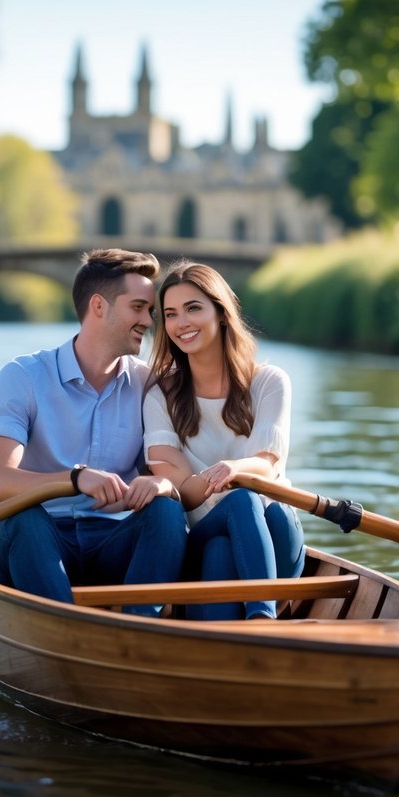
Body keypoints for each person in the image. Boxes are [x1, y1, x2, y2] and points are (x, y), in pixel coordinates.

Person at [0, 248, 187, 616]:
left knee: (166, 513)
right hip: (37, 543)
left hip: (112, 541)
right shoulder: (22, 377)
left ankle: (137, 635)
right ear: (99, 306)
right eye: (138, 307)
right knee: (23, 518)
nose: (148, 321)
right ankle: (66, 635)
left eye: (151, 311)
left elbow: (170, 473)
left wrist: (161, 485)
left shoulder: (149, 386)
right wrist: (75, 479)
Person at [143, 260, 304, 620]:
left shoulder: (270, 383)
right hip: (205, 533)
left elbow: (266, 463)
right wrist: (219, 484)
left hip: (276, 534)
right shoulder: (160, 396)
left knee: (247, 500)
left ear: (221, 313)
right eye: (170, 314)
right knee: (218, 547)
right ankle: (259, 622)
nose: (181, 323)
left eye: (193, 308)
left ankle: (258, 617)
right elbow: (181, 490)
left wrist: (232, 470)